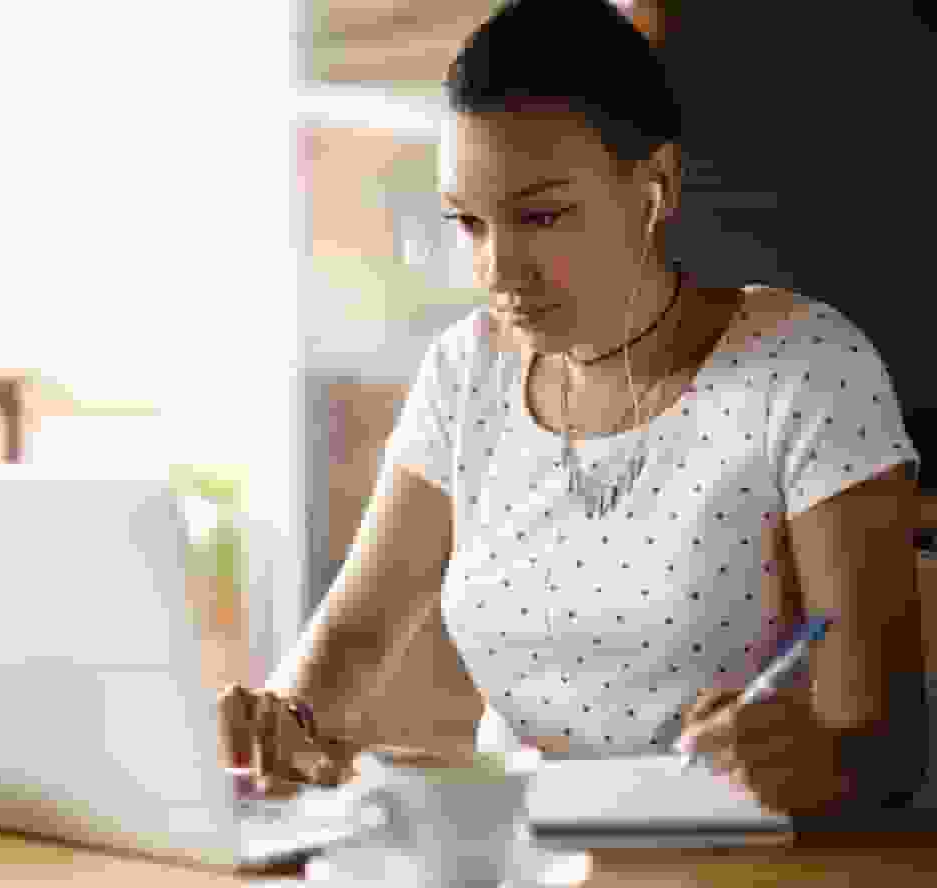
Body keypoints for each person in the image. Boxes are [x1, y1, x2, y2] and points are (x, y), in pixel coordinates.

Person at [220, 0, 929, 813]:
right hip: (511, 861)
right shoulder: (465, 371)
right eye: (468, 222)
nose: (497, 268)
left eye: (541, 216)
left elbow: (889, 746)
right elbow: (355, 636)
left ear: (655, 190)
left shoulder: (804, 369)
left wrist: (819, 761)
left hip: (735, 876)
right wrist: (289, 721)